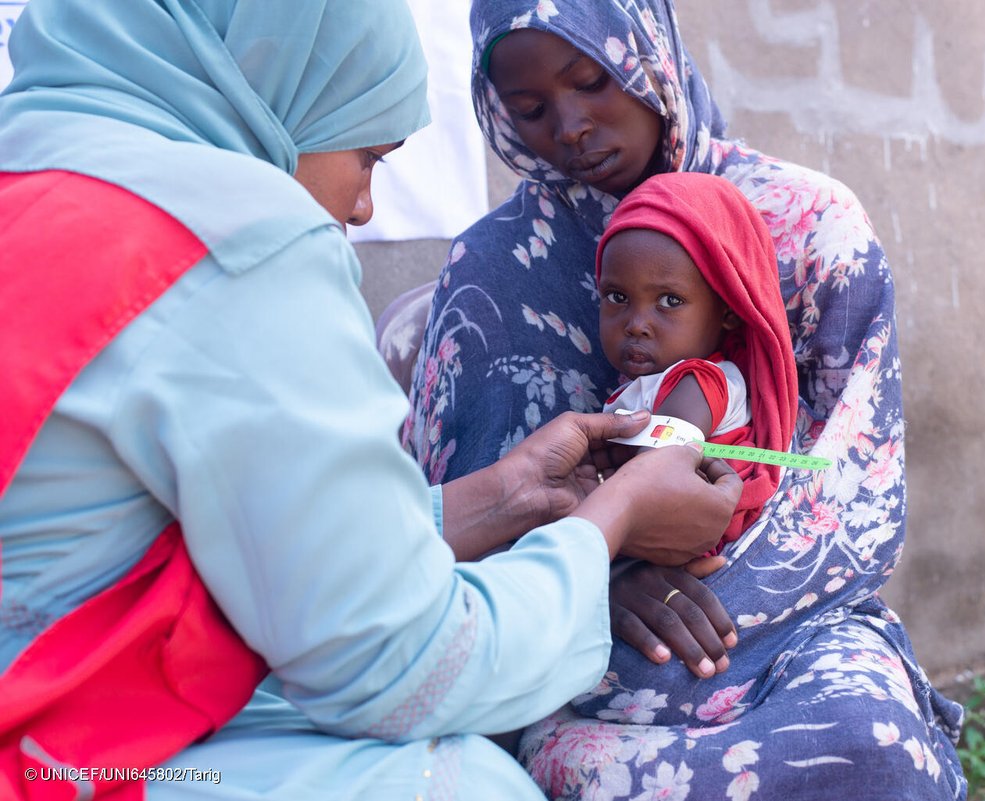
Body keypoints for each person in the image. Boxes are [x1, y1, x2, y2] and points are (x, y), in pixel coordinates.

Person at [0, 2, 744, 800]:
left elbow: (263, 532)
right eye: (369, 155)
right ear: (277, 84)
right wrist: (613, 520)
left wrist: (501, 496)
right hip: (60, 755)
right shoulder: (242, 242)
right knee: (459, 783)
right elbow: (401, 663)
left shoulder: (36, 171)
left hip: (57, 706)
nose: (362, 208)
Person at [384, 0, 968, 797]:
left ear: (648, 53)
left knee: (869, 740)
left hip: (791, 621)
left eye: (592, 80)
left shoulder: (809, 229)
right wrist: (601, 569)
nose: (570, 126)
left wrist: (712, 582)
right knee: (563, 773)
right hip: (574, 648)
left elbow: (856, 485)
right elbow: (447, 535)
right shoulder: (493, 273)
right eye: (529, 109)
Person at [595, 171, 799, 548]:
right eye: (617, 297)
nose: (637, 325)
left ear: (728, 311)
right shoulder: (655, 383)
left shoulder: (701, 383)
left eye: (669, 301)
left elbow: (658, 472)